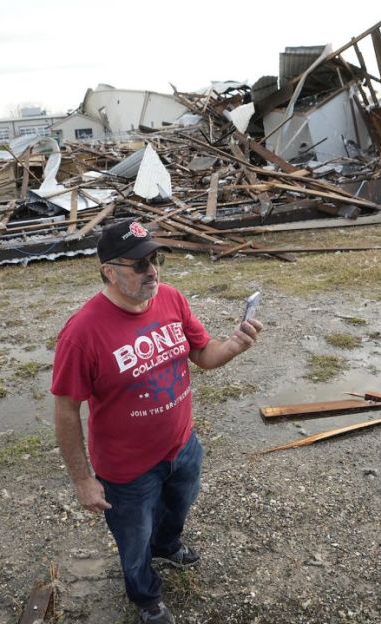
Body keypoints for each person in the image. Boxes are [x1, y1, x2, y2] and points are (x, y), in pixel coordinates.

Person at [51, 220, 262, 624]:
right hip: (126, 471)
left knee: (177, 510)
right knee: (133, 544)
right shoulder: (83, 332)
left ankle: (167, 546)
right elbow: (65, 409)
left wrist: (235, 344)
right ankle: (146, 598)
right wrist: (81, 479)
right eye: (139, 264)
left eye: (156, 259)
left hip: (182, 447)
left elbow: (203, 354)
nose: (153, 271)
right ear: (109, 271)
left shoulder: (171, 299)